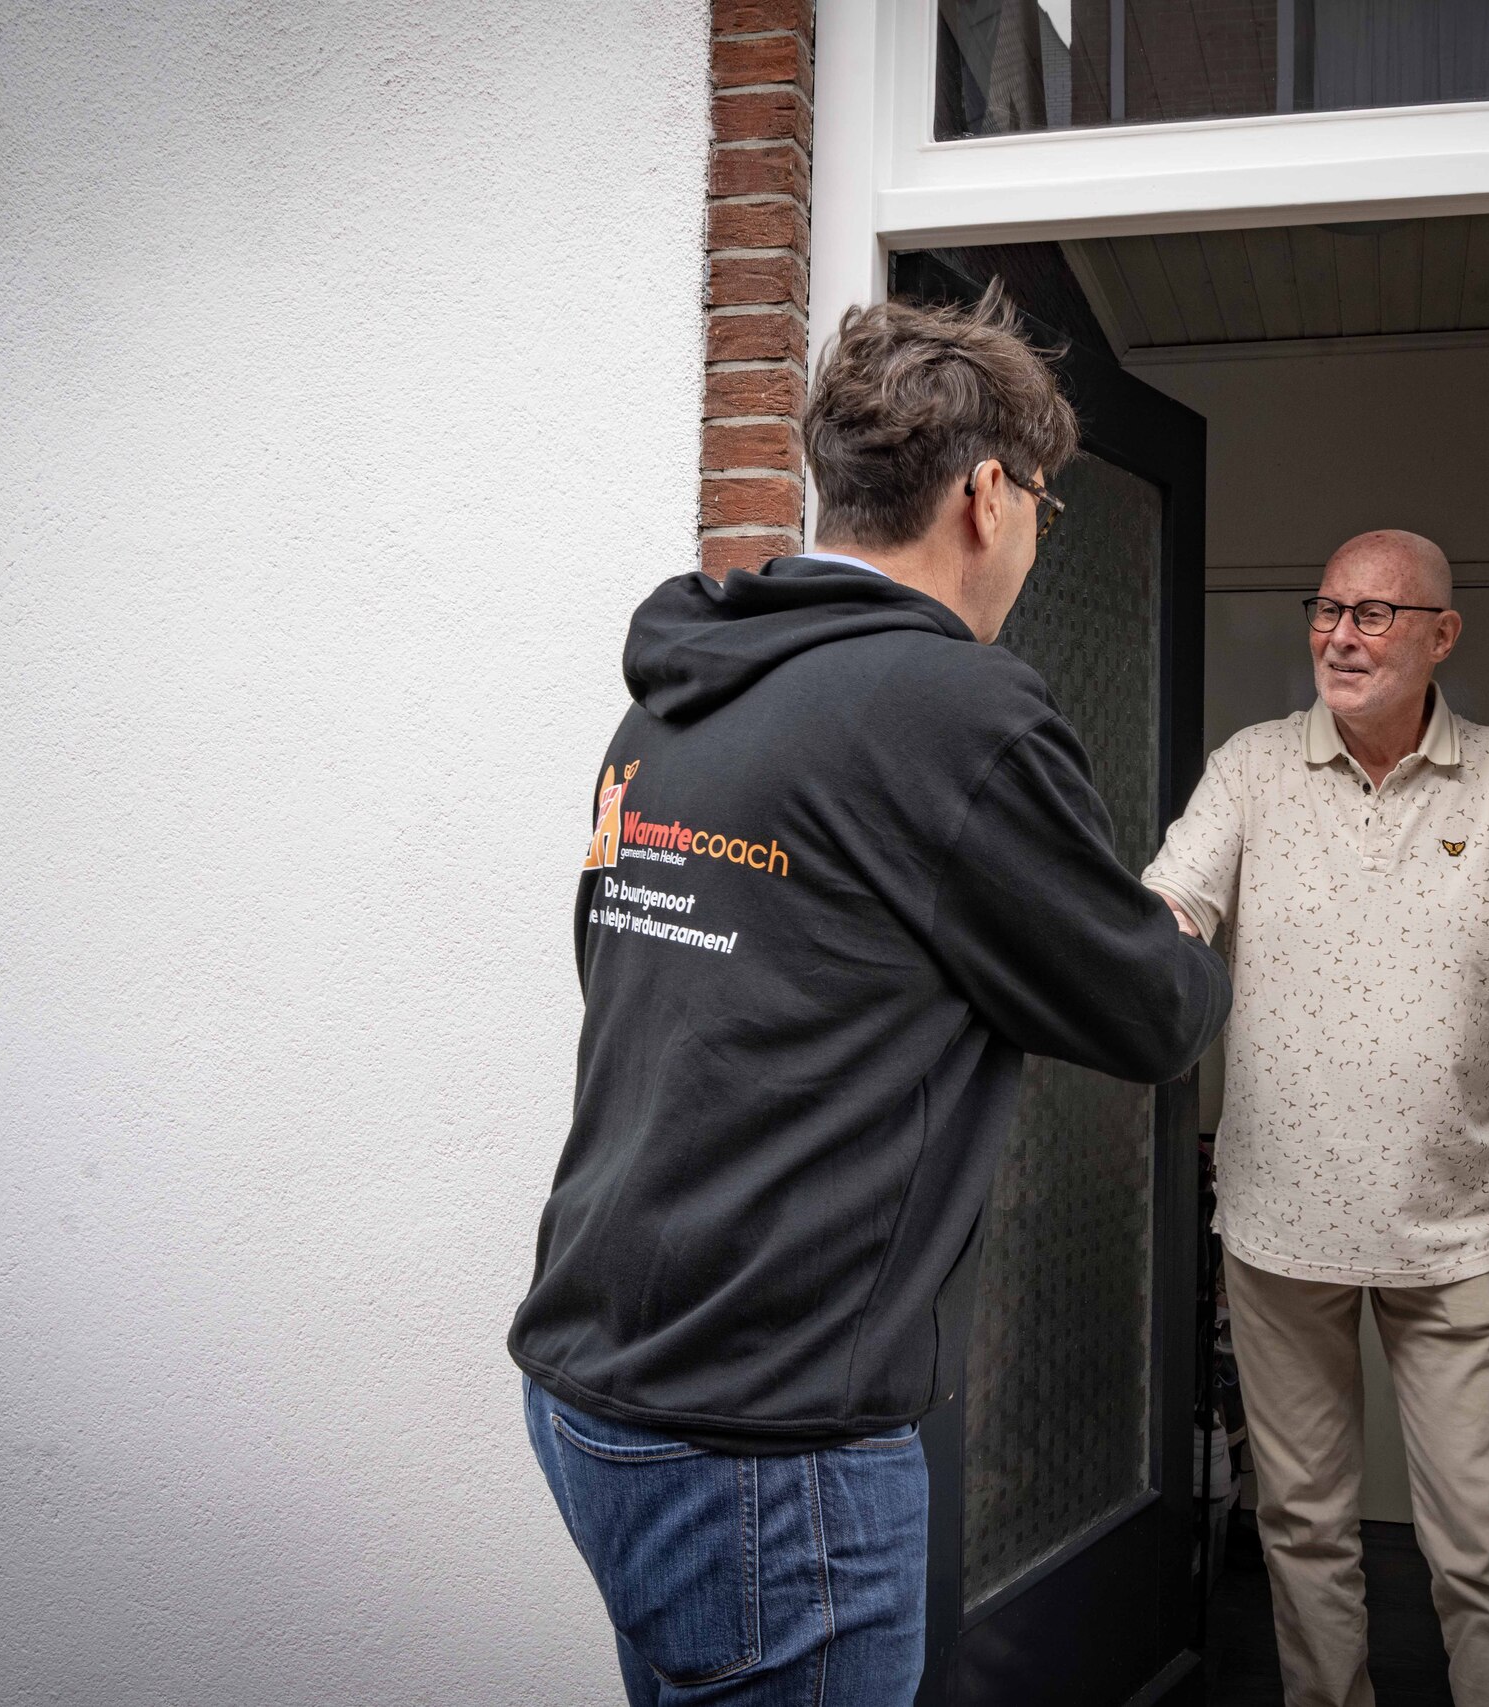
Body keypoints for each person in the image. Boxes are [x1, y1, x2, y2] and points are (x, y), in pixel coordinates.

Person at [509, 288, 1230, 1705]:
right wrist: (1181, 918)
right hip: (765, 1438)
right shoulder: (951, 707)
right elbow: (1148, 1011)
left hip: (596, 1378)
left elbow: (634, 956)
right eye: (1042, 504)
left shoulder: (674, 694)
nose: (1032, 538)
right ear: (982, 494)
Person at [1144, 529, 1489, 1707]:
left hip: (1450, 1234)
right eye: (1327, 610)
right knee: (1301, 1531)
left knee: (1484, 1552)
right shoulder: (1251, 768)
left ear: (1442, 635)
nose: (1339, 636)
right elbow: (1169, 910)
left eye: (1373, 614)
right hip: (1278, 1227)